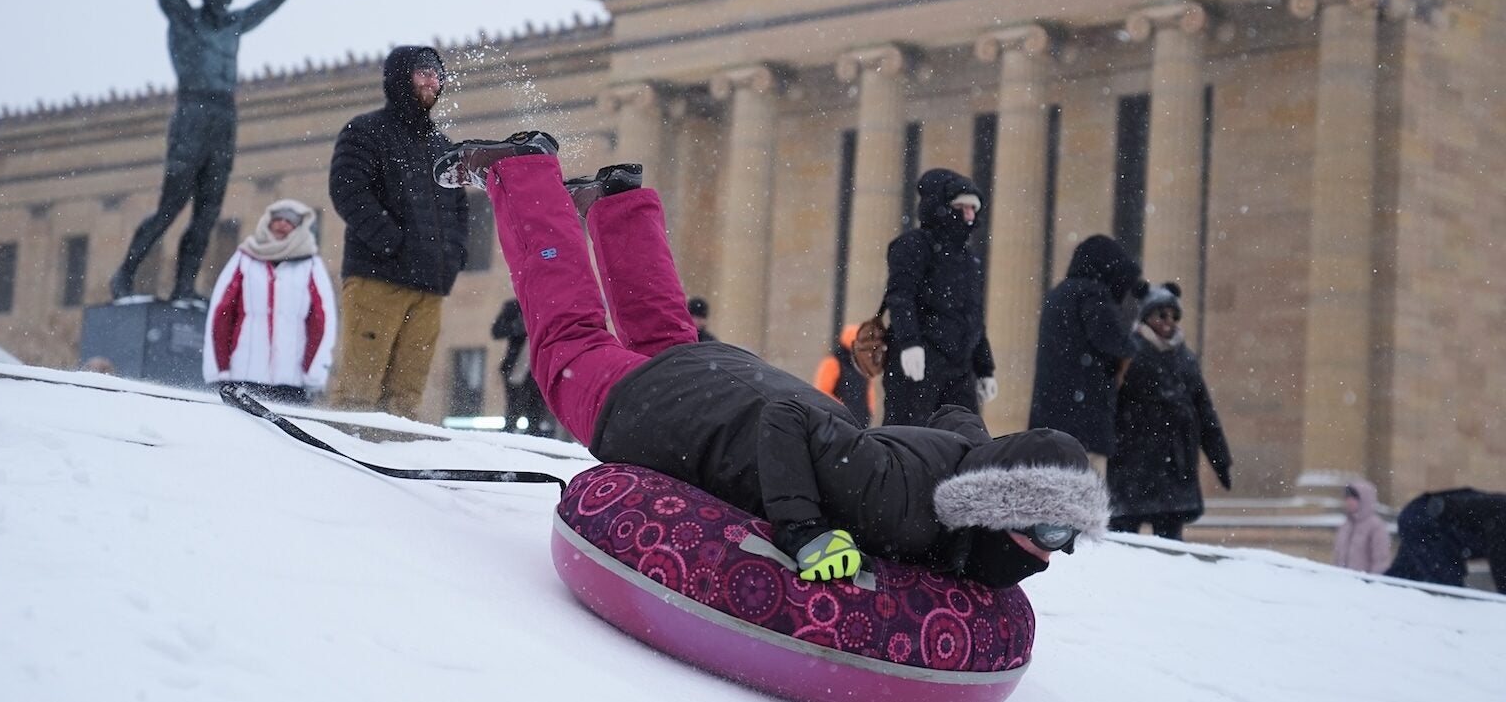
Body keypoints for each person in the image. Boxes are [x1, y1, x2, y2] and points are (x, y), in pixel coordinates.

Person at [433, 136, 1111, 589]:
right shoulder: (900, 503)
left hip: (722, 384)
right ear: (1001, 503)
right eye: (1053, 527)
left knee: (667, 335)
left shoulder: (962, 461)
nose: (1057, 550)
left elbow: (962, 416)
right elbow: (789, 421)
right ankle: (522, 170)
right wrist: (805, 530)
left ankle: (617, 202)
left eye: (1068, 533)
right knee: (569, 343)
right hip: (671, 414)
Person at [111, 0, 324, 305]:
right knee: (171, 205)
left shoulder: (234, 25)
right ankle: (125, 273)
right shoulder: (185, 20)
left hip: (224, 117)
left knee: (208, 210)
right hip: (192, 111)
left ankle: (185, 287)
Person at [328, 46, 469, 418]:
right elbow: (348, 191)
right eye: (423, 72)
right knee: (359, 389)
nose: (432, 81)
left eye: (437, 75)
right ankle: (340, 463)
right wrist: (393, 243)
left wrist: (452, 258)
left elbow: (459, 209)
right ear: (399, 77)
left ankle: (391, 469)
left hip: (429, 289)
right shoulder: (366, 131)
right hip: (379, 278)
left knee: (406, 400)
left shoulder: (442, 146)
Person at [1106, 282, 1232, 540]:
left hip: (1175, 465)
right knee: (1123, 544)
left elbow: (1205, 412)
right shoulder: (1127, 353)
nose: (1168, 321)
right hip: (1133, 462)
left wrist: (1220, 460)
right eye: (1161, 315)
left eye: (1173, 315)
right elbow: (1108, 403)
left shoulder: (1186, 358)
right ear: (1146, 317)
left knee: (1171, 545)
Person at [882, 169, 996, 425]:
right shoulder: (913, 245)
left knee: (967, 442)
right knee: (909, 439)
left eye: (973, 209)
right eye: (961, 207)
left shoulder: (969, 259)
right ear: (941, 207)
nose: (969, 215)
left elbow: (974, 317)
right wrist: (910, 343)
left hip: (960, 368)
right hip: (921, 361)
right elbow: (901, 296)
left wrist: (985, 368)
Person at [1028, 234, 1144, 473]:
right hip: (1083, 416)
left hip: (1053, 418)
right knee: (1086, 488)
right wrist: (1138, 341)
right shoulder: (1092, 295)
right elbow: (1113, 341)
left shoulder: (1059, 294)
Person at [203, 200, 336, 404]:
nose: (282, 224)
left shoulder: (310, 264)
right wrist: (219, 370)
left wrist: (315, 372)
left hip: (292, 382)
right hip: (244, 376)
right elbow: (221, 313)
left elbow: (322, 319)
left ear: (299, 227)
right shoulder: (244, 258)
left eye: (289, 221)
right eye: (278, 219)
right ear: (267, 222)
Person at [1385, 488, 1506, 593]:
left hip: (1423, 517)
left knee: (1398, 579)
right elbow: (1500, 561)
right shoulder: (1502, 518)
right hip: (1426, 521)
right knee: (1450, 591)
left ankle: (1374, 599)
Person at [491, 298, 549, 435]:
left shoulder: (551, 306)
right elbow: (496, 331)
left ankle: (531, 448)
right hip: (517, 367)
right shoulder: (515, 306)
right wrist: (519, 326)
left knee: (536, 416)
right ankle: (505, 446)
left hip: (541, 369)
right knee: (513, 412)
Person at [812, 323, 875, 425]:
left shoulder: (864, 368)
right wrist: (842, 411)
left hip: (857, 426)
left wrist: (868, 412)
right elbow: (822, 392)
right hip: (836, 424)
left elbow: (869, 394)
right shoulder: (832, 364)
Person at [1333, 479, 1393, 574]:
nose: (1349, 501)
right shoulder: (1345, 525)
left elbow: (1381, 561)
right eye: (1347, 497)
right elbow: (1337, 557)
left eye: (1354, 498)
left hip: (1363, 585)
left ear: (1365, 499)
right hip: (1342, 582)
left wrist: (1371, 584)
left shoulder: (1376, 526)